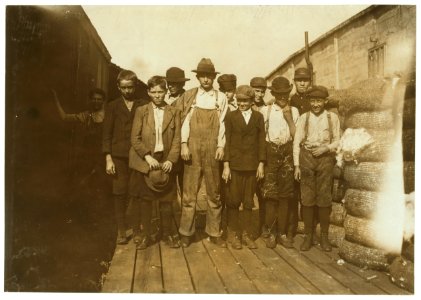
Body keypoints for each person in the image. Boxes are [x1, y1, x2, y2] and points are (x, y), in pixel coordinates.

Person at [176, 58, 228, 248]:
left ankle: (214, 231)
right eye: (203, 76)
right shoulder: (191, 96)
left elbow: (222, 123)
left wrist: (221, 146)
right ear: (198, 77)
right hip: (193, 146)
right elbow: (184, 123)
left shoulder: (220, 98)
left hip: (213, 147)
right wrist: (184, 144)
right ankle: (185, 232)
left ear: (214, 77)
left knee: (214, 191)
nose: (206, 80)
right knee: (190, 192)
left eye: (209, 76)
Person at [128, 76, 181, 249]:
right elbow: (135, 139)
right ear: (149, 92)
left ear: (166, 92)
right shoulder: (141, 111)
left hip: (165, 160)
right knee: (146, 200)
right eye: (154, 92)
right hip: (147, 161)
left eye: (161, 91)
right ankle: (147, 235)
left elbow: (177, 140)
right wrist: (147, 156)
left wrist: (171, 160)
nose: (158, 95)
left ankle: (167, 234)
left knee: (166, 199)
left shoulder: (174, 111)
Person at [102, 69, 148, 245]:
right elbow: (106, 134)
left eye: (130, 87)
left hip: (137, 156)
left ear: (135, 86)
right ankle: (121, 230)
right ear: (118, 87)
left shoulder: (143, 104)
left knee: (136, 192)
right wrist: (108, 158)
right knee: (119, 193)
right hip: (118, 157)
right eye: (124, 88)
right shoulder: (112, 106)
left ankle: (136, 230)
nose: (127, 91)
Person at [293, 85, 341, 252]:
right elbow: (296, 142)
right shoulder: (303, 118)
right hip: (306, 157)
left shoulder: (332, 117)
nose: (315, 104)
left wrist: (326, 149)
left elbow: (337, 141)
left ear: (325, 101)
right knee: (307, 198)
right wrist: (297, 165)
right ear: (309, 102)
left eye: (319, 101)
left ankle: (324, 238)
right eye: (313, 101)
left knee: (324, 197)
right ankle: (308, 237)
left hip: (325, 158)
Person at [222, 85, 265, 250]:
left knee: (248, 202)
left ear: (252, 101)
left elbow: (261, 141)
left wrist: (261, 163)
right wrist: (226, 165)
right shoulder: (231, 117)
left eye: (245, 101)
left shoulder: (258, 117)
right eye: (239, 100)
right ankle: (235, 234)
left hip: (252, 167)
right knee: (233, 201)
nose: (242, 104)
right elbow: (227, 140)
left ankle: (246, 234)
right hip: (234, 165)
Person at [260, 76, 299, 248]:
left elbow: (296, 136)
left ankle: (282, 233)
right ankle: (270, 231)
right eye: (279, 94)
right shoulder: (266, 111)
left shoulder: (295, 111)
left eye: (285, 94)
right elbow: (261, 137)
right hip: (270, 153)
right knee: (270, 195)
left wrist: (289, 117)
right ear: (274, 94)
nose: (283, 97)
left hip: (288, 153)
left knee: (285, 195)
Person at [51, 88, 106, 181]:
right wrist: (55, 98)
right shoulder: (86, 115)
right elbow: (64, 117)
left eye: (99, 99)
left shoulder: (109, 115)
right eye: (94, 99)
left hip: (103, 154)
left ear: (103, 101)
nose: (96, 101)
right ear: (90, 100)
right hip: (87, 154)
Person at [249, 76, 268, 237]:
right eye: (257, 91)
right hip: (247, 154)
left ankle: (263, 226)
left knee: (263, 193)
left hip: (262, 153)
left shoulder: (267, 108)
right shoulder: (246, 106)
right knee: (246, 193)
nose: (259, 95)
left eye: (262, 92)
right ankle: (248, 227)